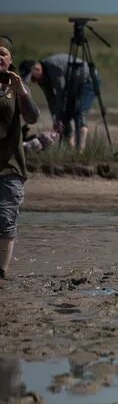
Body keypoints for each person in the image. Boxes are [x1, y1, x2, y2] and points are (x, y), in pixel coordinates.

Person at [0, 36, 40, 281]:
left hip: (10, 165)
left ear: (10, 59)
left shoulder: (17, 86)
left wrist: (22, 92)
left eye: (2, 53)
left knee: (4, 218)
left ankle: (1, 273)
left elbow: (33, 118)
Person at [20, 52, 96, 150]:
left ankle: (80, 152)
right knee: (63, 118)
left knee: (79, 112)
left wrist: (59, 118)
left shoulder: (53, 67)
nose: (34, 81)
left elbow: (61, 93)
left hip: (87, 81)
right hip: (73, 86)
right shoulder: (42, 78)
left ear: (37, 69)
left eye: (33, 78)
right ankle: (70, 148)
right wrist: (56, 119)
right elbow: (51, 99)